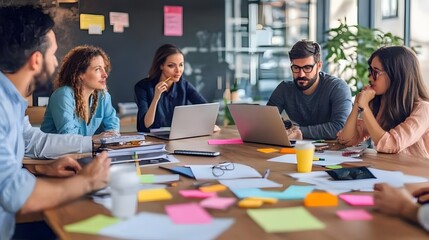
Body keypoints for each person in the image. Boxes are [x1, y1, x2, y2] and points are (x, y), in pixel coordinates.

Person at [0, 5, 111, 239]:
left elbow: (31, 141)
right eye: (53, 54)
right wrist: (86, 181)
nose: (56, 61)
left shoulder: (11, 100)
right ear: (36, 60)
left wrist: (43, 166)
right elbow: (15, 193)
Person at [337, 46, 429, 159]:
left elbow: (391, 145)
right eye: (370, 71)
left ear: (396, 75)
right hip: (389, 171)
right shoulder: (382, 104)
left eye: (375, 72)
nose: (370, 78)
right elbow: (347, 139)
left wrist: (364, 107)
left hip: (416, 174)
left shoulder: (424, 109)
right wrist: (357, 104)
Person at [267, 39, 352, 140]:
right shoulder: (284, 90)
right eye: (296, 68)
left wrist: (299, 131)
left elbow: (340, 127)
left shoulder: (337, 88)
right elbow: (266, 122)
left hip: (334, 150)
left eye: (307, 68)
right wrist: (286, 126)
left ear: (319, 66)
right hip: (299, 148)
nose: (301, 74)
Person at [41, 45, 120, 136]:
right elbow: (68, 137)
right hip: (54, 150)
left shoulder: (102, 96)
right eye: (97, 69)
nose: (105, 74)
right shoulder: (63, 95)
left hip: (82, 150)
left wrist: (111, 136)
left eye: (104, 68)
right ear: (80, 74)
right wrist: (96, 140)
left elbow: (113, 126)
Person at [134, 43, 207, 132]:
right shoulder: (142, 87)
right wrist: (156, 97)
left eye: (181, 65)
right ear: (161, 66)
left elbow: (205, 108)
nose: (178, 70)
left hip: (178, 137)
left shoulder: (184, 85)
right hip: (151, 140)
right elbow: (146, 125)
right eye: (171, 66)